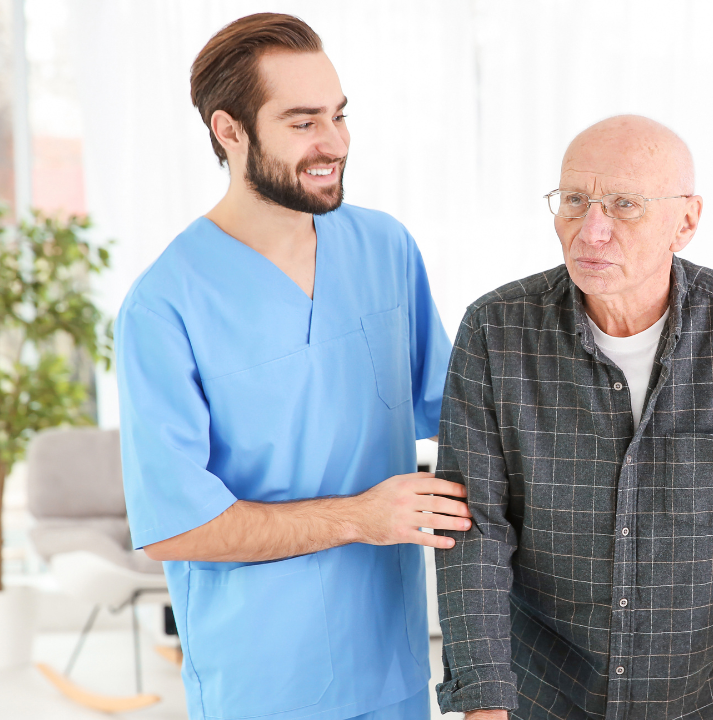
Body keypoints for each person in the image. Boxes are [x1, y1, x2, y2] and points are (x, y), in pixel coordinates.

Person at [434, 115, 713, 720]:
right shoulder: (494, 329)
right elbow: (476, 530)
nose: (591, 231)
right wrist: (482, 703)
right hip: (546, 692)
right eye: (575, 201)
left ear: (685, 221)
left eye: (625, 205)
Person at [116, 14, 466, 720]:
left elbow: (457, 411)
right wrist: (361, 519)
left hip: (393, 663)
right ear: (229, 130)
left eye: (338, 116)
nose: (333, 143)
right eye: (303, 122)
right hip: (265, 679)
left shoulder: (384, 249)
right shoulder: (163, 307)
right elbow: (174, 527)